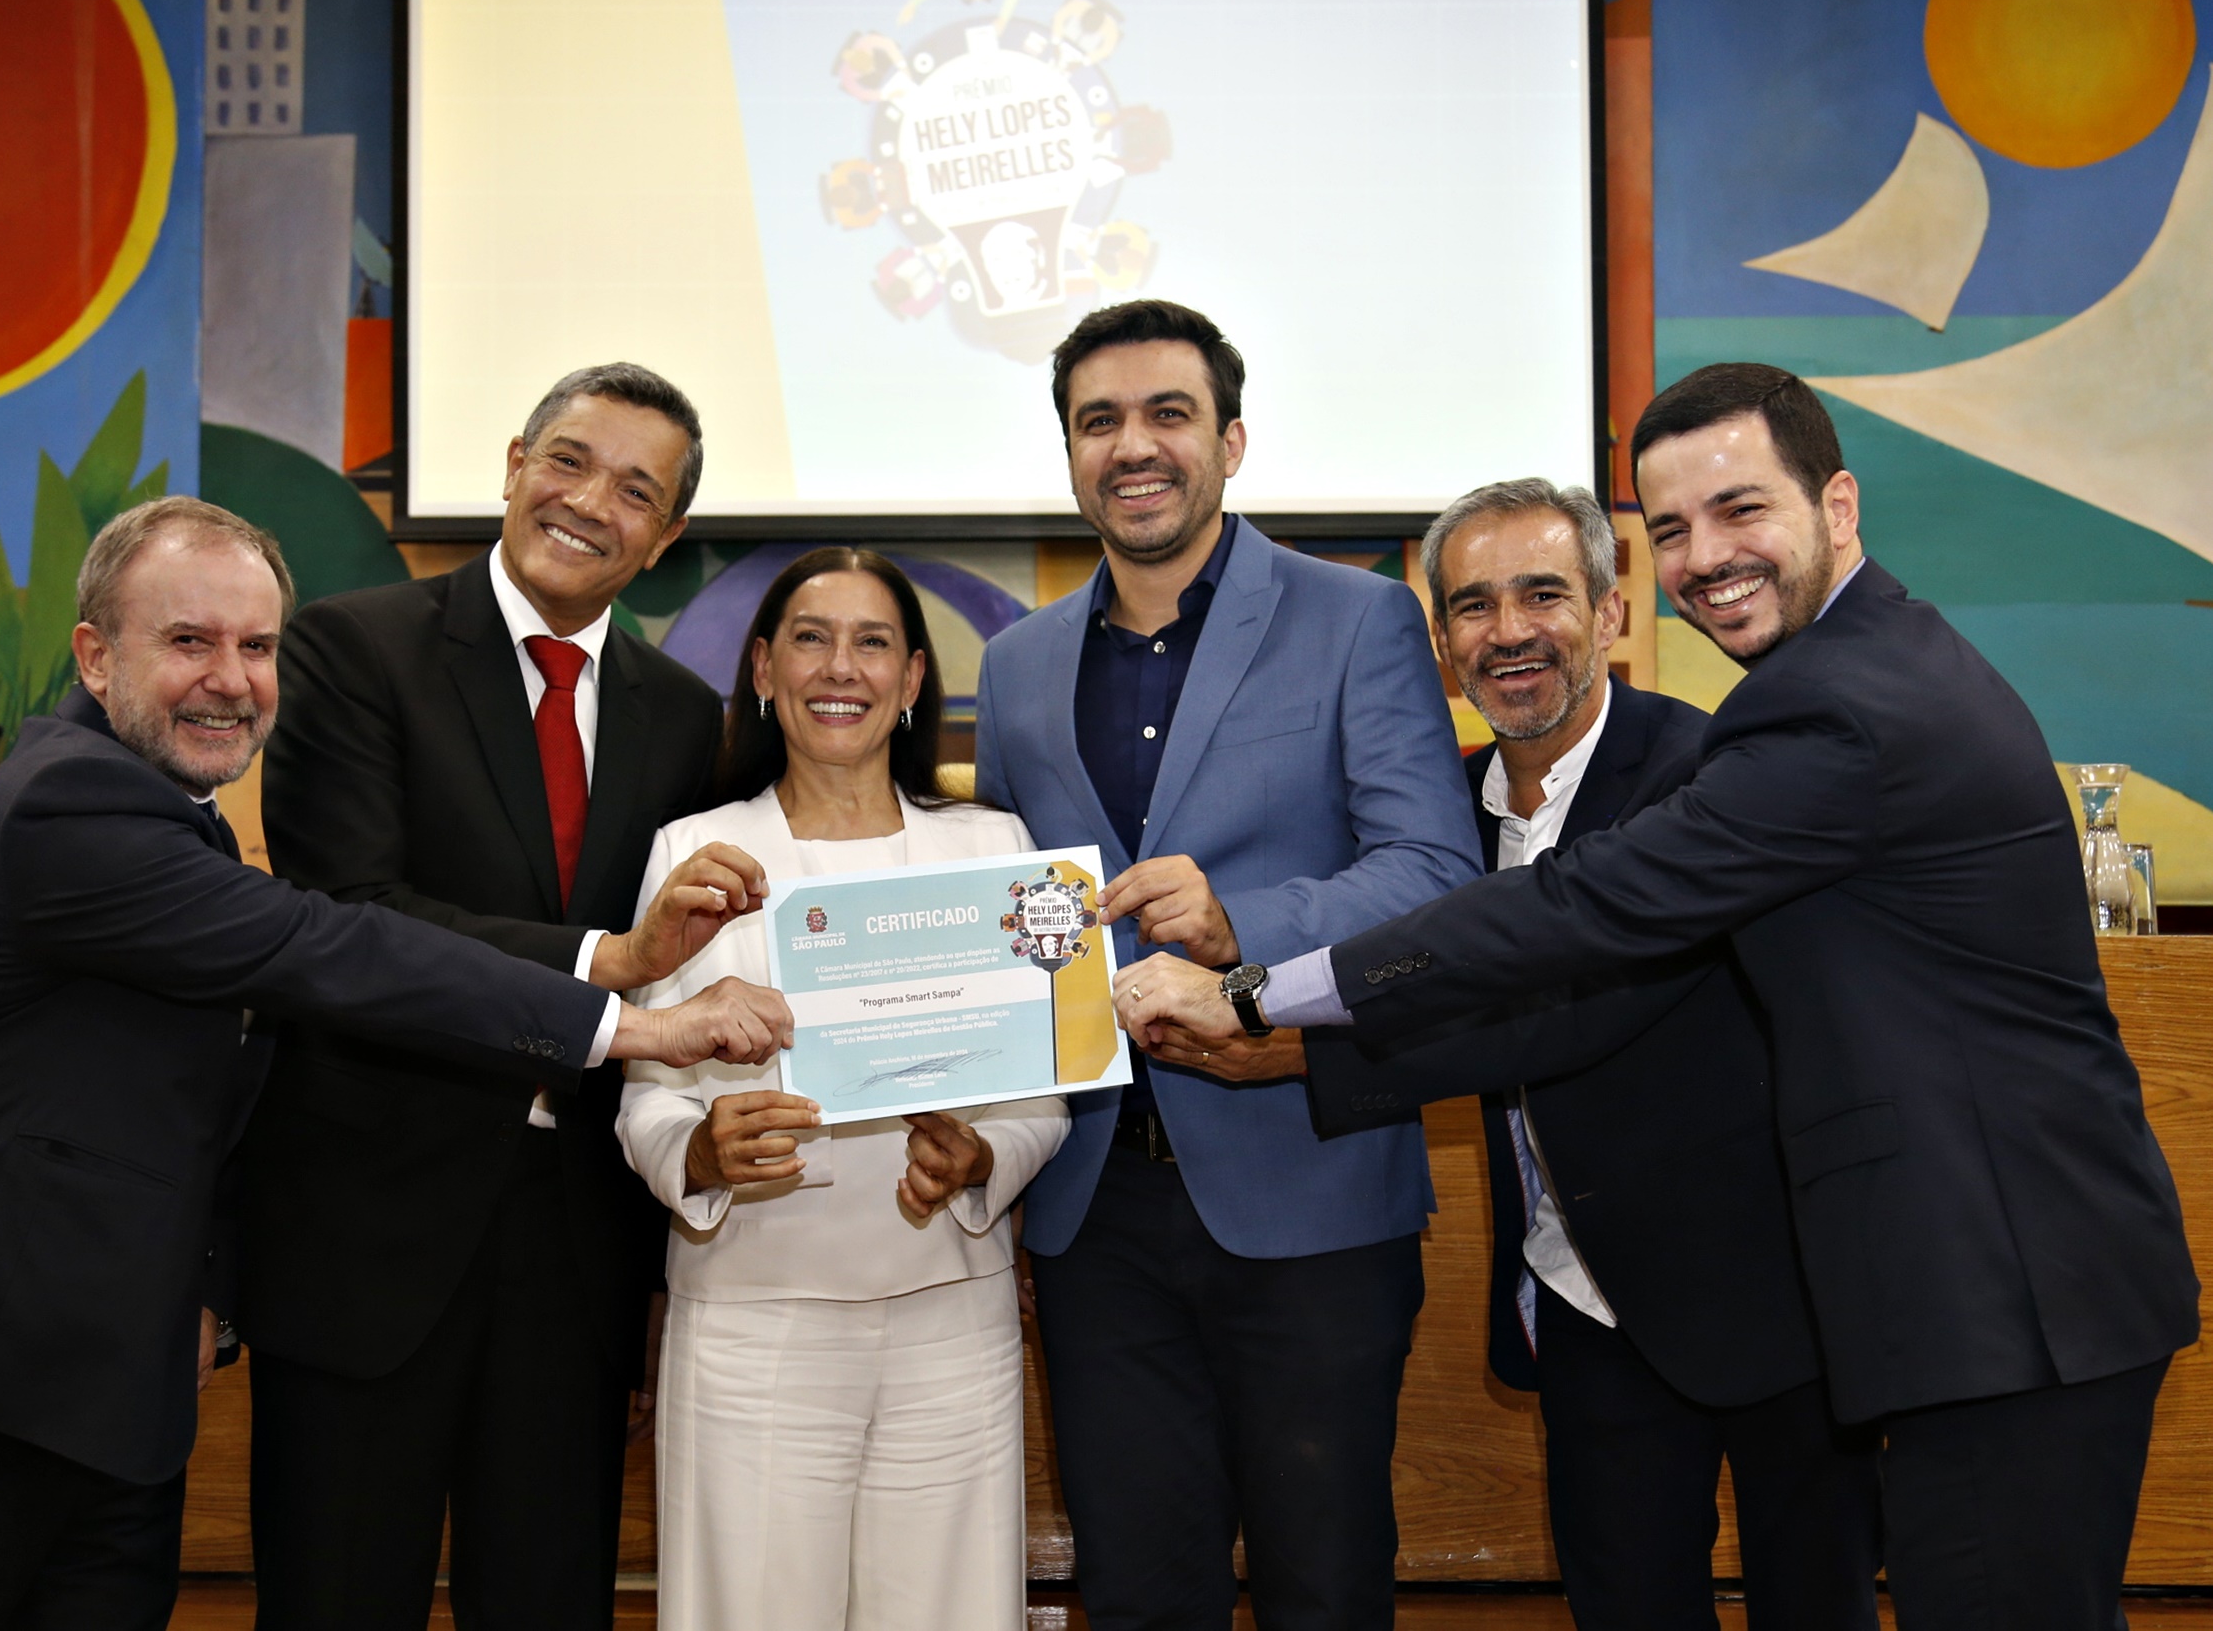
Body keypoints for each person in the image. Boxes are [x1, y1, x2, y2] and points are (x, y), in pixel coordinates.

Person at [1117, 365, 2201, 1631]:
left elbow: (1582, 920)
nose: (1707, 556)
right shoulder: (1852, 671)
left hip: (2002, 1289)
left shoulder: (1830, 712)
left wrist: (1260, 996)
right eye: (1675, 525)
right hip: (1982, 1286)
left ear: (1837, 505)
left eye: (1740, 510)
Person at [0, 499, 787, 1631]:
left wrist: (209, 1278)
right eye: (188, 640)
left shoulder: (172, 819)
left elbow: (197, 1098)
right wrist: (624, 1014)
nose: (231, 679)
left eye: (256, 646)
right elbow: (323, 945)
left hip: (108, 1405)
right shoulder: (65, 802)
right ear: (96, 657)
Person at [972, 299, 1482, 1630]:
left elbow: (1434, 871)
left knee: (1323, 1586)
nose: (1131, 446)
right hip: (1094, 1212)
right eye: (1098, 421)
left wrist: (1240, 919)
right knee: (1139, 1592)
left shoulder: (1359, 617)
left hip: (1307, 1189)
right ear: (1070, 454)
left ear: (1230, 440)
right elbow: (1015, 919)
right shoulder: (1014, 667)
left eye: (1166, 414)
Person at [240, 363, 758, 1629]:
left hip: (574, 1254)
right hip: (370, 1229)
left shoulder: (687, 717)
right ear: (515, 460)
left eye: (636, 490)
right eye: (569, 461)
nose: (589, 502)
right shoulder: (357, 649)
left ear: (668, 537)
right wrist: (602, 963)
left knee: (547, 1596)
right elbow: (352, 918)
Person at [1388, 478, 1879, 1628]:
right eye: (1470, 605)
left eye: (1542, 592)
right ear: (1439, 638)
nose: (1506, 630)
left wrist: (1295, 1038)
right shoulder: (1432, 824)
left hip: (1774, 1303)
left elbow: (1572, 1000)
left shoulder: (1712, 774)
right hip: (1581, 1306)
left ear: (1611, 614)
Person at [614, 547, 1069, 1631]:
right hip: (751, 1328)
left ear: (914, 680)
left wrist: (983, 1159)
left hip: (949, 1321)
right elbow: (645, 1096)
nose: (841, 667)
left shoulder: (991, 849)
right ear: (763, 669)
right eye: (811, 638)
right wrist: (702, 1152)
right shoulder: (697, 853)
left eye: (873, 642)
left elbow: (1042, 1098)